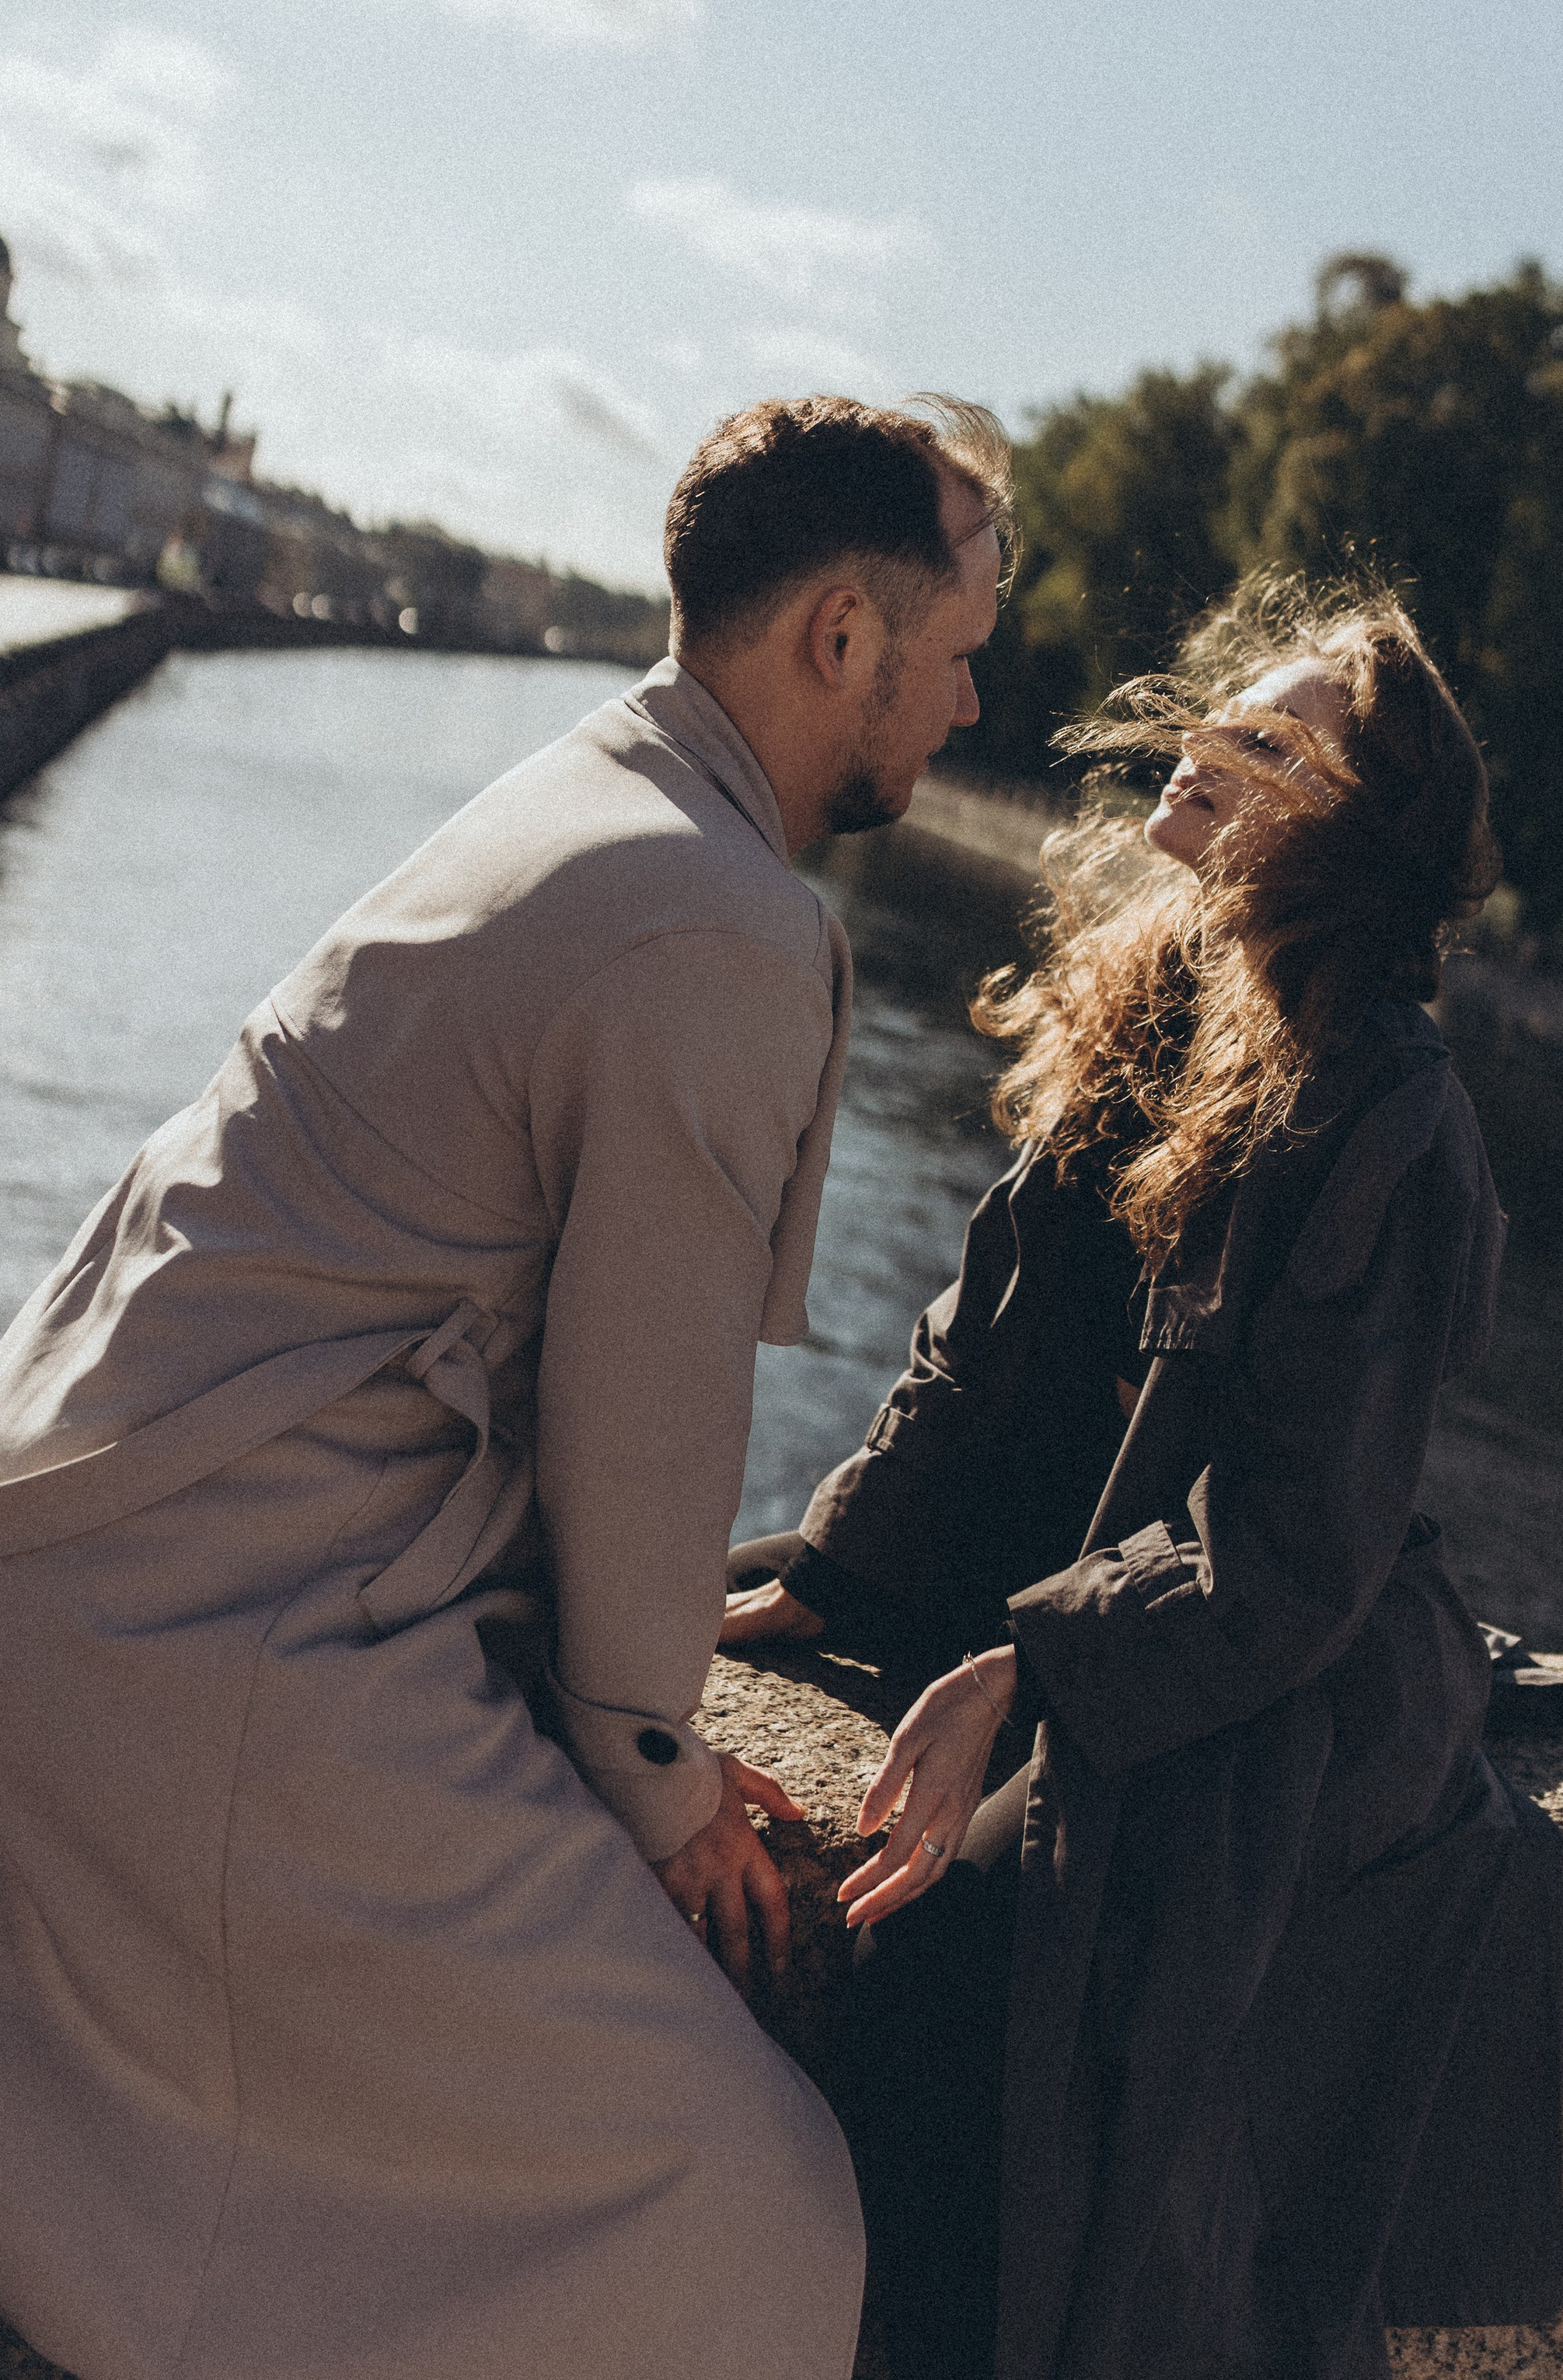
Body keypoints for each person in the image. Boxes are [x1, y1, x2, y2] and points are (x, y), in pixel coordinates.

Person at [0, 393, 1007, 2380]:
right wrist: (657, 1773)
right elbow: (642, 1423)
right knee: (748, 2204)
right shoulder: (723, 923)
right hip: (228, 1641)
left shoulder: (590, 796)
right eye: (960, 649)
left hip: (129, 1579)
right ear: (841, 636)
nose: (972, 704)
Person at [724, 579, 1563, 2380]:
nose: (1200, 744)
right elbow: (986, 1339)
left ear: (1356, 832)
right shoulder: (1161, 993)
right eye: (1217, 714)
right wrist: (844, 1563)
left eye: (1265, 742)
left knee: (963, 1952)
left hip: (1274, 1664)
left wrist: (1028, 1668)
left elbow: (1294, 1551)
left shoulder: (1392, 1111)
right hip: (1096, 1578)